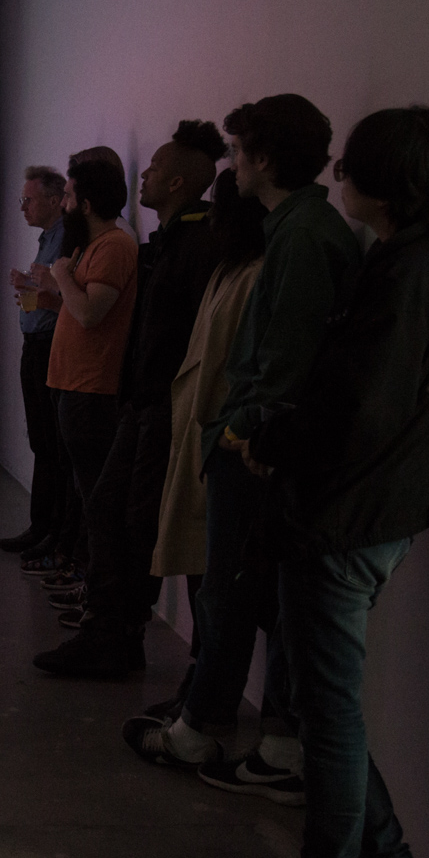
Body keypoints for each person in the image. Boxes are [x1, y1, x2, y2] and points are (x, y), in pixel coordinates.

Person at [236, 107, 429, 858]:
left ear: (387, 183)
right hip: (381, 512)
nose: (339, 179)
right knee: (320, 704)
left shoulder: (404, 271)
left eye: (352, 168)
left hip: (346, 519)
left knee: (325, 715)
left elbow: (355, 404)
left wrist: (273, 446)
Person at [124, 94, 360, 796]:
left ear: (262, 157)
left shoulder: (304, 235)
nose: (229, 164)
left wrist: (239, 431)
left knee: (237, 593)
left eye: (237, 151)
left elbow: (286, 357)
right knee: (251, 595)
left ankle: (208, 731)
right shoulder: (297, 229)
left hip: (258, 451)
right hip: (259, 444)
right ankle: (243, 732)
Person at [33, 121, 224, 675]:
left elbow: (104, 316)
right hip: (140, 404)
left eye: (157, 168)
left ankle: (120, 638)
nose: (145, 174)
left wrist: (63, 276)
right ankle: (111, 632)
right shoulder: (164, 245)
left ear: (181, 181)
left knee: (127, 519)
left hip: (161, 407)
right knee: (109, 512)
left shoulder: (191, 248)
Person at [143, 169, 267, 719]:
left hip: (225, 448)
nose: (211, 219)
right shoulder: (231, 269)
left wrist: (227, 435)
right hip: (208, 441)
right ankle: (202, 691)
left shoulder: (254, 273)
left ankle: (207, 707)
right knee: (208, 583)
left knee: (222, 588)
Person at [26, 156, 139, 591]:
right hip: (71, 383)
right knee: (81, 487)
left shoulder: (113, 246)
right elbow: (78, 308)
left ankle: (96, 586)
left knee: (95, 495)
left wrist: (60, 277)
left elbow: (92, 313)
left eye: (69, 195)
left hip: (91, 387)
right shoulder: (92, 246)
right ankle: (85, 575)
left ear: (86, 203)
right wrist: (57, 288)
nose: (64, 203)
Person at [0, 166, 69, 555]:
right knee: (42, 441)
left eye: (29, 200)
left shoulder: (65, 239)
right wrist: (29, 284)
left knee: (50, 444)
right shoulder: (48, 239)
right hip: (37, 343)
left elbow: (65, 297)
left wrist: (41, 293)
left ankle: (48, 530)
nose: (23, 207)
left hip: (49, 345)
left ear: (54, 201)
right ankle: (41, 527)